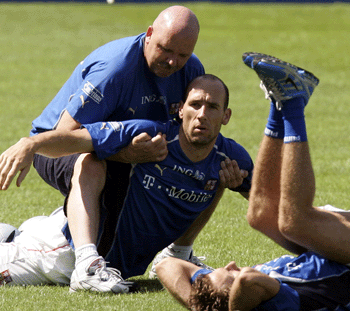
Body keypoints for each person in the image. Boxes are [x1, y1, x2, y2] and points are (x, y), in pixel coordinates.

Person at [0, 6, 216, 293]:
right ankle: (86, 265)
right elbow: (64, 136)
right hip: (55, 147)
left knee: (207, 162)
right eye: (165, 49)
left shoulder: (191, 70)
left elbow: (186, 134)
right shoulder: (115, 69)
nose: (172, 61)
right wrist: (126, 154)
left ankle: (177, 254)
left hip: (128, 150)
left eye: (182, 54)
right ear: (149, 35)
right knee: (92, 162)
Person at [0, 74, 253, 293]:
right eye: (195, 105)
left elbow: (268, 203)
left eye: (212, 107)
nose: (202, 115)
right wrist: (31, 144)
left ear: (226, 115)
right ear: (180, 109)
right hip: (64, 252)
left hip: (111, 264)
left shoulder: (230, 157)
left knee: (220, 178)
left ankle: (14, 234)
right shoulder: (150, 135)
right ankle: (21, 239)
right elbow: (80, 140)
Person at [155, 54, 350, 310]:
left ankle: (277, 105)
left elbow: (166, 266)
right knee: (293, 222)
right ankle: (292, 103)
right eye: (228, 275)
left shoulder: (249, 289)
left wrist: (201, 305)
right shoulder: (272, 301)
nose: (231, 266)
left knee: (258, 216)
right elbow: (246, 282)